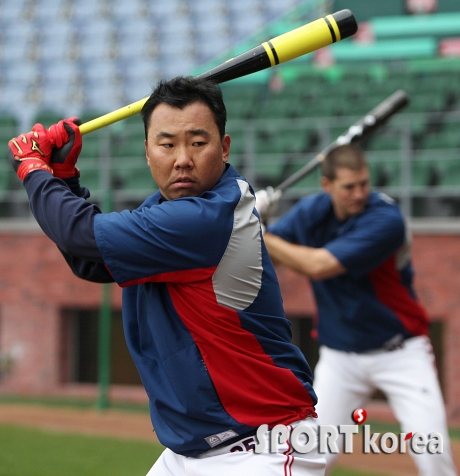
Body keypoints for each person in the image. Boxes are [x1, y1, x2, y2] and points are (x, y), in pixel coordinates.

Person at [7, 76, 326, 476]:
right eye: (167, 144)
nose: (182, 159)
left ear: (224, 149)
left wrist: (34, 169)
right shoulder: (167, 210)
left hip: (265, 447)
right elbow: (90, 260)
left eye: (197, 142)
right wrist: (63, 177)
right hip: (189, 453)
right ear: (146, 152)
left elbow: (81, 236)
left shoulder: (207, 217)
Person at [257, 144, 458, 476]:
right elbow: (270, 256)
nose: (359, 193)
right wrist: (258, 220)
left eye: (364, 183)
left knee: (432, 453)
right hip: (341, 359)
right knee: (308, 457)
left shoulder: (385, 219)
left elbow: (319, 265)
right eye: (349, 186)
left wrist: (260, 230)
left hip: (399, 352)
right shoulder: (313, 211)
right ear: (327, 185)